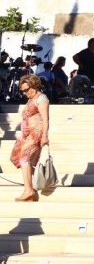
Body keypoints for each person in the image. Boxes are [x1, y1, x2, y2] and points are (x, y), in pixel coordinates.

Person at [10, 74, 50, 202]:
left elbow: (45, 119)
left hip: (36, 133)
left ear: (34, 86)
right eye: (22, 91)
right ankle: (31, 188)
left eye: (26, 90)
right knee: (17, 157)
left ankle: (28, 190)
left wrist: (44, 135)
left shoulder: (41, 98)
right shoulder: (31, 99)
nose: (24, 93)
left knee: (24, 158)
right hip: (27, 135)